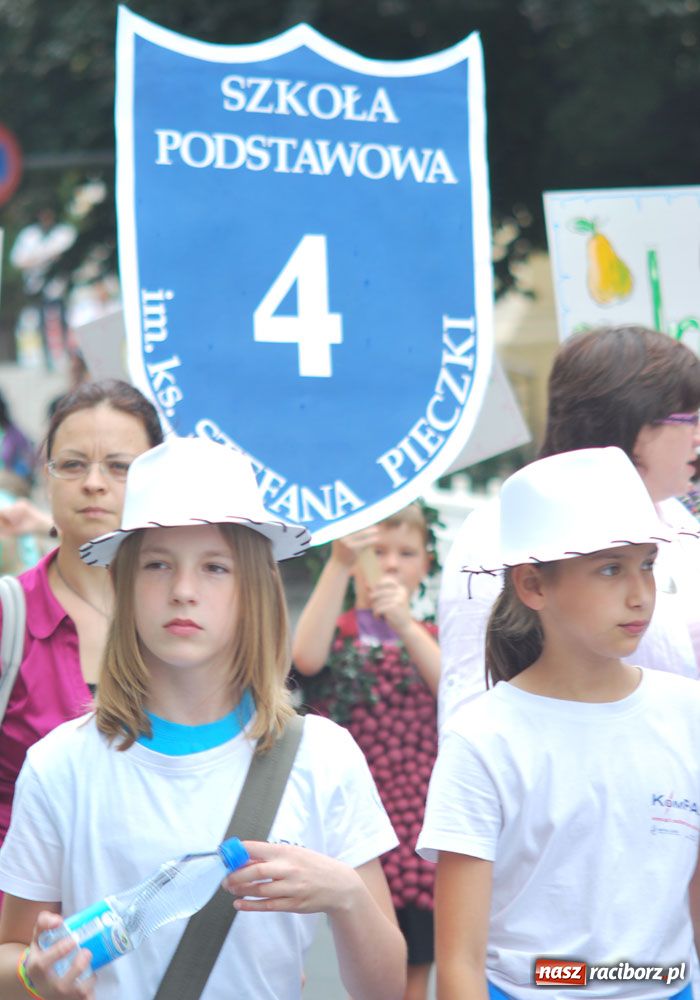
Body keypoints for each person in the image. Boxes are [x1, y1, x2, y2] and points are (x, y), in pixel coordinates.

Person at [0, 436, 406, 1000]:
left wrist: (346, 895)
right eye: (158, 564)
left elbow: (384, 990)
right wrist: (33, 974)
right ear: (122, 581)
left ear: (255, 590)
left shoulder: (325, 755)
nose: (183, 591)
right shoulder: (58, 766)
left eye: (215, 567)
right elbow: (13, 957)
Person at [418, 446, 700, 1000]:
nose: (639, 592)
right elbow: (458, 963)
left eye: (646, 563)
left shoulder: (688, 713)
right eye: (610, 569)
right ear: (534, 586)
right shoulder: (483, 738)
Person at [438, 325, 700, 732]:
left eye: (646, 564)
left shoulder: (679, 520)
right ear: (633, 424)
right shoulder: (505, 530)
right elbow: (474, 696)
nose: (698, 438)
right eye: (691, 418)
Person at [0, 379, 163, 848]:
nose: (94, 482)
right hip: (26, 912)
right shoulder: (10, 617)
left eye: (119, 467)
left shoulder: (193, 615)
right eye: (73, 464)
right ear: (46, 477)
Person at [293, 504, 440, 1000]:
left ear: (427, 563)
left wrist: (403, 622)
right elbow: (304, 659)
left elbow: (455, 693)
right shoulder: (338, 633)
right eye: (378, 551)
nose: (392, 564)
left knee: (415, 967)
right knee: (367, 964)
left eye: (407, 553)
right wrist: (337, 563)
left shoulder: (435, 637)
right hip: (354, 825)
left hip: (418, 826)